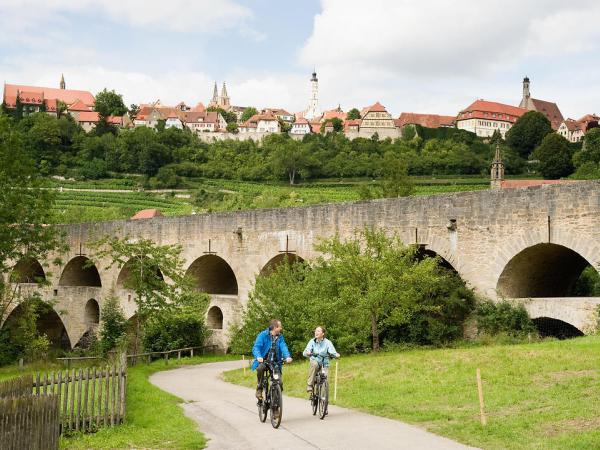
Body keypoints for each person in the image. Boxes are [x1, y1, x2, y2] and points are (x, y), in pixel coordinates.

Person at [251, 319, 292, 400]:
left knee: (279, 383)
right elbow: (256, 347)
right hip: (264, 361)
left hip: (275, 363)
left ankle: (275, 406)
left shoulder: (280, 337)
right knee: (260, 368)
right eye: (280, 326)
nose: (281, 328)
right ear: (274, 327)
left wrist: (287, 356)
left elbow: (283, 346)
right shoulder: (263, 335)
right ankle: (259, 388)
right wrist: (258, 356)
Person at [303, 325, 339, 394]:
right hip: (315, 361)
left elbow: (332, 351)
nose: (316, 332)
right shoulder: (312, 341)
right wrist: (308, 353)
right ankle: (310, 385)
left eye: (318, 331)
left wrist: (336, 355)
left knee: (325, 380)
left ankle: (323, 398)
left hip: (325, 364)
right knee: (314, 364)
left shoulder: (328, 342)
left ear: (323, 333)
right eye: (315, 331)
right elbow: (306, 351)